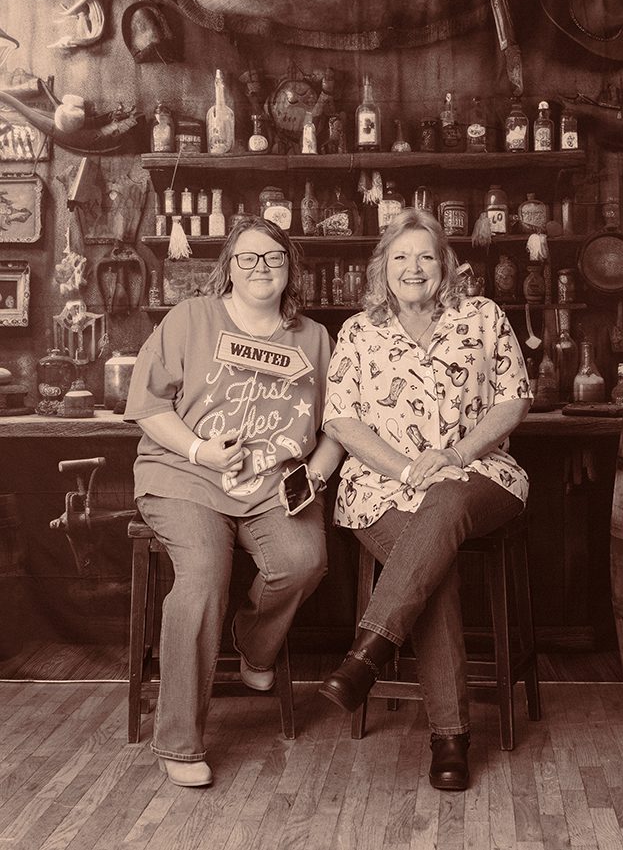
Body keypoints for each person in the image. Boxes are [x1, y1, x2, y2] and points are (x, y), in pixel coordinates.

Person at [124, 215, 343, 788]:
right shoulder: (190, 318)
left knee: (303, 561)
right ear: (228, 267)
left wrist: (313, 479)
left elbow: (339, 426)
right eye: (248, 257)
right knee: (202, 575)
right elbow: (148, 407)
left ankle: (253, 644)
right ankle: (179, 742)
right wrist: (200, 450)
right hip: (185, 476)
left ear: (290, 267)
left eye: (273, 256)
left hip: (274, 483)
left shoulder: (315, 338)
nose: (261, 267)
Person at [319, 208, 532, 791]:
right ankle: (450, 737)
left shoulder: (483, 317)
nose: (413, 268)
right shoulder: (360, 332)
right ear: (381, 268)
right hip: (380, 488)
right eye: (400, 257)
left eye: (426, 255)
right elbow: (341, 419)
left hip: (480, 474)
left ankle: (365, 656)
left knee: (444, 504)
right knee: (432, 564)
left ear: (447, 264)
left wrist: (456, 456)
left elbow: (513, 402)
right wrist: (410, 468)